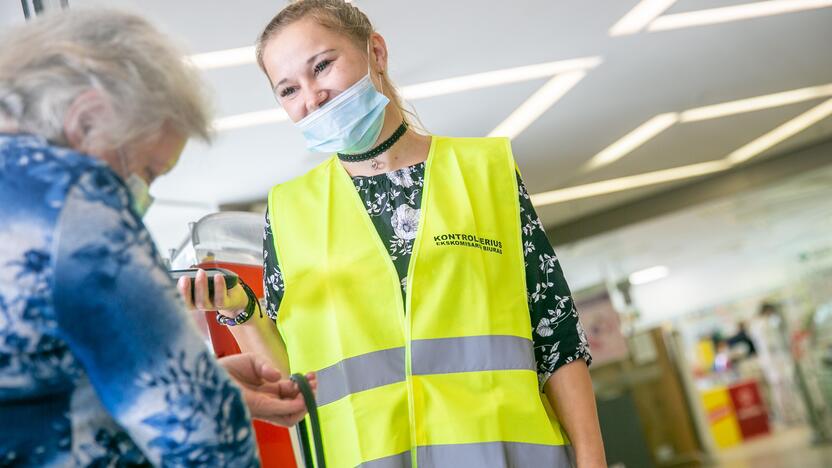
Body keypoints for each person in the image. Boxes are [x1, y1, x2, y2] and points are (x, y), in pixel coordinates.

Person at [182, 1, 605, 466]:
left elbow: (556, 335)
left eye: (322, 66)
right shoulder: (288, 211)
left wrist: (592, 460)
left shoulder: (485, 172)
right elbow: (296, 386)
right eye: (288, 89)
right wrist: (240, 310)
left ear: (376, 54)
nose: (312, 97)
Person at [0, 9, 311, 466]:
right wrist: (207, 396)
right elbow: (202, 432)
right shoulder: (72, 196)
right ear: (86, 120)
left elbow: (34, 391)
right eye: (146, 171)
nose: (141, 196)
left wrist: (207, 382)